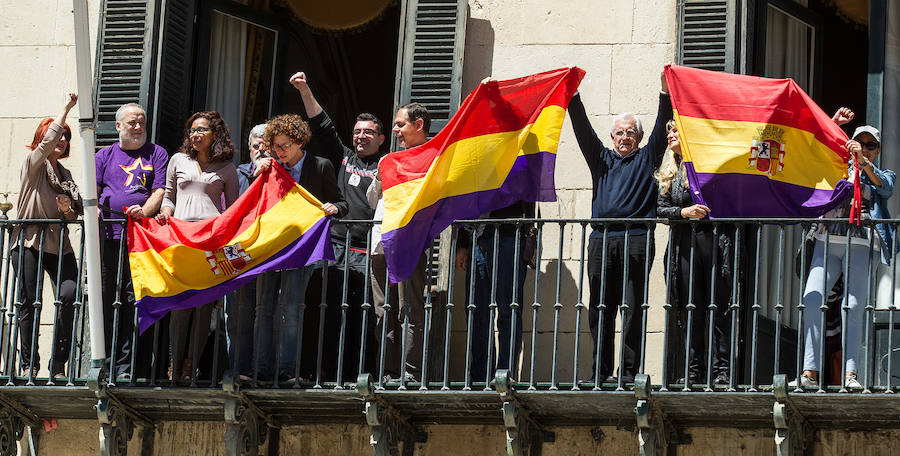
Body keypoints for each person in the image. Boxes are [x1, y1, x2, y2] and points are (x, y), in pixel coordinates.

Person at [569, 71, 672, 383]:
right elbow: (583, 131)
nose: (625, 137)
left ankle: (627, 375)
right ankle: (599, 374)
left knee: (631, 310)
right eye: (620, 133)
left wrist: (664, 91)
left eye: (631, 133)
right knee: (600, 309)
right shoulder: (601, 160)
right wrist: (572, 96)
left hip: (637, 238)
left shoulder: (648, 158)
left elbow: (661, 122)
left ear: (638, 138)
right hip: (601, 240)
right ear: (612, 138)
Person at [290, 71, 384, 380]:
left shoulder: (388, 165)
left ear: (381, 139)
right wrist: (305, 89)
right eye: (357, 131)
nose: (361, 136)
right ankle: (316, 373)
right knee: (322, 310)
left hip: (364, 251)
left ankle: (355, 376)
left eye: (368, 132)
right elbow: (322, 124)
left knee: (359, 316)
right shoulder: (342, 158)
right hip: (333, 246)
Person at [793, 121, 895, 390]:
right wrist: (833, 124)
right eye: (860, 144)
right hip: (827, 240)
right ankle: (809, 371)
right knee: (812, 299)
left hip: (861, 244)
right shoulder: (836, 167)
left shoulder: (882, 173)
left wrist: (863, 164)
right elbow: (814, 154)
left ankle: (851, 374)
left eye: (871, 146)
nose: (865, 149)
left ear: (877, 150)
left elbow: (885, 188)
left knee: (853, 305)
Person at [255, 113, 348, 383]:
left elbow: (341, 203)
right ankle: (261, 369)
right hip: (270, 246)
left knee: (292, 307)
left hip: (302, 248)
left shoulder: (320, 166)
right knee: (264, 307)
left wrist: (333, 208)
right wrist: (257, 171)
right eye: (275, 146)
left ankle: (287, 370)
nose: (279, 151)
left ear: (299, 143)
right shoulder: (270, 167)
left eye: (284, 146)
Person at [156, 111, 240, 380]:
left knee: (204, 308)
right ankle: (175, 363)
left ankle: (191, 364)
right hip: (181, 241)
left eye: (202, 130)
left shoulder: (227, 169)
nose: (195, 134)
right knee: (180, 305)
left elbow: (235, 210)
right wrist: (166, 212)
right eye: (192, 130)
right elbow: (168, 196)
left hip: (210, 243)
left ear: (215, 134)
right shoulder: (178, 160)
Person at [655, 120, 733, 385]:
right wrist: (683, 212)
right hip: (684, 246)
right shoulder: (669, 171)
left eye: (676, 131)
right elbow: (661, 209)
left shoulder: (704, 165)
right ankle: (693, 371)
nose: (670, 136)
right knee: (692, 308)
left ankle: (721, 371)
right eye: (668, 132)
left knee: (718, 307)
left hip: (712, 242)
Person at [95, 102, 169, 380]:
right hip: (108, 237)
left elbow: (160, 189)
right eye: (132, 122)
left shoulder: (157, 153)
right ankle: (103, 364)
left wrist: (145, 211)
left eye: (141, 122)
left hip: (141, 239)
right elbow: (93, 190)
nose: (138, 127)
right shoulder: (104, 155)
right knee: (104, 299)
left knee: (130, 300)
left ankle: (125, 368)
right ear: (118, 126)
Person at [12, 93, 82, 378]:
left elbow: (73, 215)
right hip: (29, 242)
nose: (62, 140)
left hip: (59, 245)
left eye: (66, 136)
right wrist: (66, 109)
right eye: (58, 135)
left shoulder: (65, 174)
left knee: (70, 293)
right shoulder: (34, 164)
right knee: (29, 303)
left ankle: (59, 363)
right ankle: (29, 364)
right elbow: (45, 144)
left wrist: (67, 209)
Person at [367, 102, 430, 383]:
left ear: (419, 125)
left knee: (411, 309)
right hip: (380, 243)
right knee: (383, 311)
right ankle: (388, 371)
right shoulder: (387, 160)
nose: (395, 131)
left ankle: (410, 372)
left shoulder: (433, 158)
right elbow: (374, 199)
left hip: (410, 243)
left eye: (400, 125)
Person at [225, 123, 267, 381]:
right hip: (239, 251)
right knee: (238, 314)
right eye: (255, 146)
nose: (260, 151)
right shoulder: (238, 173)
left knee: (268, 313)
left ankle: (262, 370)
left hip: (270, 253)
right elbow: (236, 204)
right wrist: (255, 175)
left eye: (265, 146)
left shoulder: (282, 172)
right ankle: (237, 370)